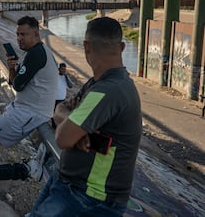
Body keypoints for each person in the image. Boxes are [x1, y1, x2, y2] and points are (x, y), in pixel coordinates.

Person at [29, 17, 142, 216]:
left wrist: (70, 127)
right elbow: (61, 109)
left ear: (86, 46)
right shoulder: (101, 83)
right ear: (122, 47)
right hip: (71, 186)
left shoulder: (106, 91)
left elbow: (62, 138)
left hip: (88, 198)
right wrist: (76, 128)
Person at [0, 16, 58, 159]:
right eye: (18, 34)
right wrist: (11, 67)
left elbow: (18, 85)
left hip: (29, 112)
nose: (19, 38)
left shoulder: (36, 53)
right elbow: (16, 82)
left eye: (23, 34)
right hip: (30, 110)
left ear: (36, 35)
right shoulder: (38, 51)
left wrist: (13, 70)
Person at [51, 62, 74, 128]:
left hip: (62, 99)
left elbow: (71, 86)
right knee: (54, 113)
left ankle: (58, 126)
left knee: (60, 113)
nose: (63, 70)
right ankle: (54, 126)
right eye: (62, 69)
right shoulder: (55, 76)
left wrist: (66, 77)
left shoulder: (66, 77)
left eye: (64, 69)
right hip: (55, 98)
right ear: (59, 69)